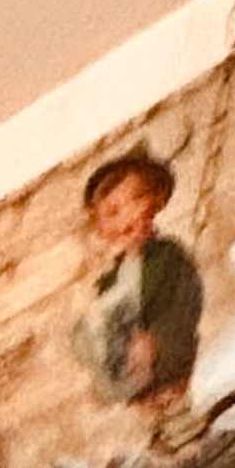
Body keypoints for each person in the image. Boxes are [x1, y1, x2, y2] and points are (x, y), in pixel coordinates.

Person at [74, 150, 204, 439]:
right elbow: (103, 323)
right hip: (134, 379)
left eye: (129, 209)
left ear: (151, 209)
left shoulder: (168, 257)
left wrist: (156, 341)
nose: (120, 224)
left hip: (168, 363)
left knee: (182, 423)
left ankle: (182, 424)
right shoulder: (109, 280)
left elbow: (185, 305)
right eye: (109, 214)